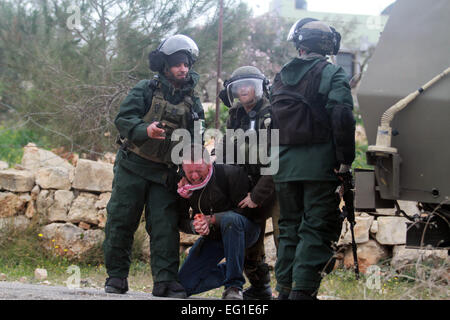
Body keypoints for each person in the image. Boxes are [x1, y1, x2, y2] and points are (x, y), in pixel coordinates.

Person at [102, 34, 204, 298]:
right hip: (132, 166)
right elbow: (123, 119)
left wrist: (189, 172)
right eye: (177, 63)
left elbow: (197, 139)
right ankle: (116, 277)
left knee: (164, 226)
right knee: (121, 221)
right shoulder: (145, 89)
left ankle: (165, 282)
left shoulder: (193, 101)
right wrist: (144, 130)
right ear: (165, 65)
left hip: (165, 173)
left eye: (187, 63)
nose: (183, 68)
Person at [270, 19, 356, 300]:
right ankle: (302, 292)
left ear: (300, 44)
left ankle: (283, 291)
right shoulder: (332, 73)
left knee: (289, 228)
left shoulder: (281, 75)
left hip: (284, 167)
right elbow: (342, 116)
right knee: (317, 228)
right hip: (319, 167)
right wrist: (345, 162)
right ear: (328, 45)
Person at [218, 66, 279, 300]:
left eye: (248, 85)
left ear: (258, 88)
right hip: (246, 183)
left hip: (273, 184)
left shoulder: (273, 112)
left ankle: (289, 290)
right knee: (247, 239)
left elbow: (278, 157)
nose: (243, 90)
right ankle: (260, 286)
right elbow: (228, 147)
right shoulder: (235, 115)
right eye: (239, 86)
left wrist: (258, 195)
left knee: (283, 236)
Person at [177, 144, 260, 300]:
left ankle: (234, 287)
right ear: (183, 168)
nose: (194, 176)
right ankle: (233, 269)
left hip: (244, 231)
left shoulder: (230, 173)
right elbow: (181, 220)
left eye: (199, 171)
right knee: (182, 286)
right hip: (214, 238)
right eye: (190, 172)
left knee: (230, 219)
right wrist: (195, 227)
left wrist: (212, 219)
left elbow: (246, 212)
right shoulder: (183, 186)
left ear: (209, 164)